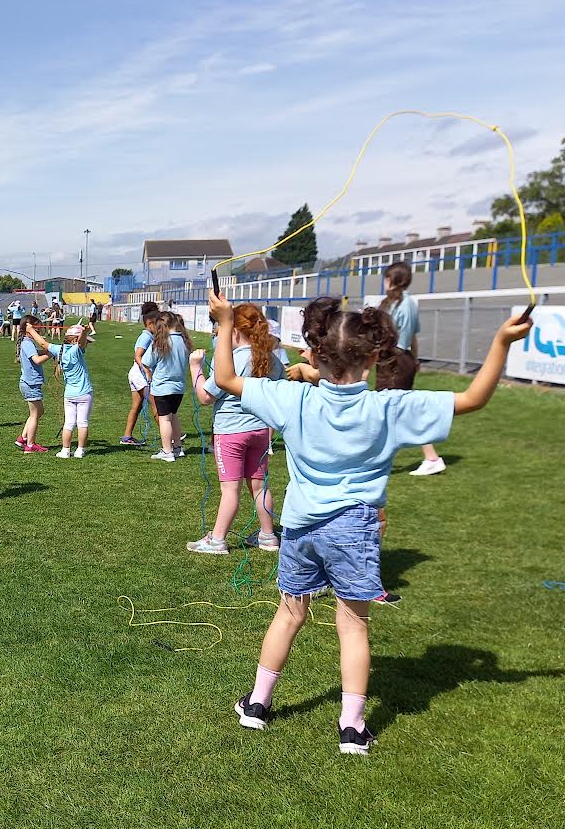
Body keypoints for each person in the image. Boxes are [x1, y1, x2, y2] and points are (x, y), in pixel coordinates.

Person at [211, 292, 532, 755]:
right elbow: (473, 399)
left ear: (316, 354)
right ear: (373, 357)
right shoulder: (387, 407)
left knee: (289, 612)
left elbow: (224, 378)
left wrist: (225, 322)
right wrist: (501, 341)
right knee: (352, 624)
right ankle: (351, 726)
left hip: (300, 529)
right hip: (353, 528)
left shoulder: (293, 398)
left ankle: (258, 704)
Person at [186, 303, 283, 554]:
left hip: (231, 432)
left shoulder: (232, 360)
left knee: (230, 489)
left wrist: (195, 368)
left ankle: (217, 540)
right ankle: (268, 536)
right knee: (259, 486)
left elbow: (205, 396)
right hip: (261, 431)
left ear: (235, 331)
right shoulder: (272, 359)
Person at [377, 261, 444, 477]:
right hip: (399, 359)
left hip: (394, 360)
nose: (384, 282)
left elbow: (398, 338)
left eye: (387, 278)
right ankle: (383, 457)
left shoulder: (401, 304)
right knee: (394, 409)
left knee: (398, 408)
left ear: (393, 280)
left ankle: (432, 458)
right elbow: (413, 337)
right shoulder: (403, 303)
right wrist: (415, 359)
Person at [26, 321, 94, 458]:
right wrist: (84, 332)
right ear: (75, 339)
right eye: (86, 341)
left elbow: (43, 344)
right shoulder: (77, 350)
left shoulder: (59, 349)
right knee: (82, 423)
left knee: (68, 423)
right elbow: (81, 343)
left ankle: (65, 450)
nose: (87, 343)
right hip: (84, 392)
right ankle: (80, 450)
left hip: (69, 394)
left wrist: (31, 330)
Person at [147, 310, 192, 462]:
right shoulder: (184, 341)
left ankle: (167, 451)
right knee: (173, 416)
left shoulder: (161, 342)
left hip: (163, 387)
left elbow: (147, 361)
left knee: (164, 419)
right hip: (179, 388)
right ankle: (177, 447)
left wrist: (149, 373)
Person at [119, 303, 162, 446]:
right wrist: (146, 370)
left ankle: (127, 437)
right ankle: (170, 437)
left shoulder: (149, 336)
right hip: (140, 375)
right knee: (156, 405)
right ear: (150, 323)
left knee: (136, 406)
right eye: (158, 325)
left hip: (136, 374)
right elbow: (138, 355)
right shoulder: (146, 336)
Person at [14, 316, 53, 453]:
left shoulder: (27, 342)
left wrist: (46, 351)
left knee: (38, 412)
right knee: (35, 414)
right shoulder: (28, 343)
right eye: (38, 328)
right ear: (29, 328)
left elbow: (36, 353)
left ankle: (23, 439)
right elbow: (37, 360)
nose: (40, 330)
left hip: (30, 383)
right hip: (31, 383)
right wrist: (51, 354)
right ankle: (30, 445)